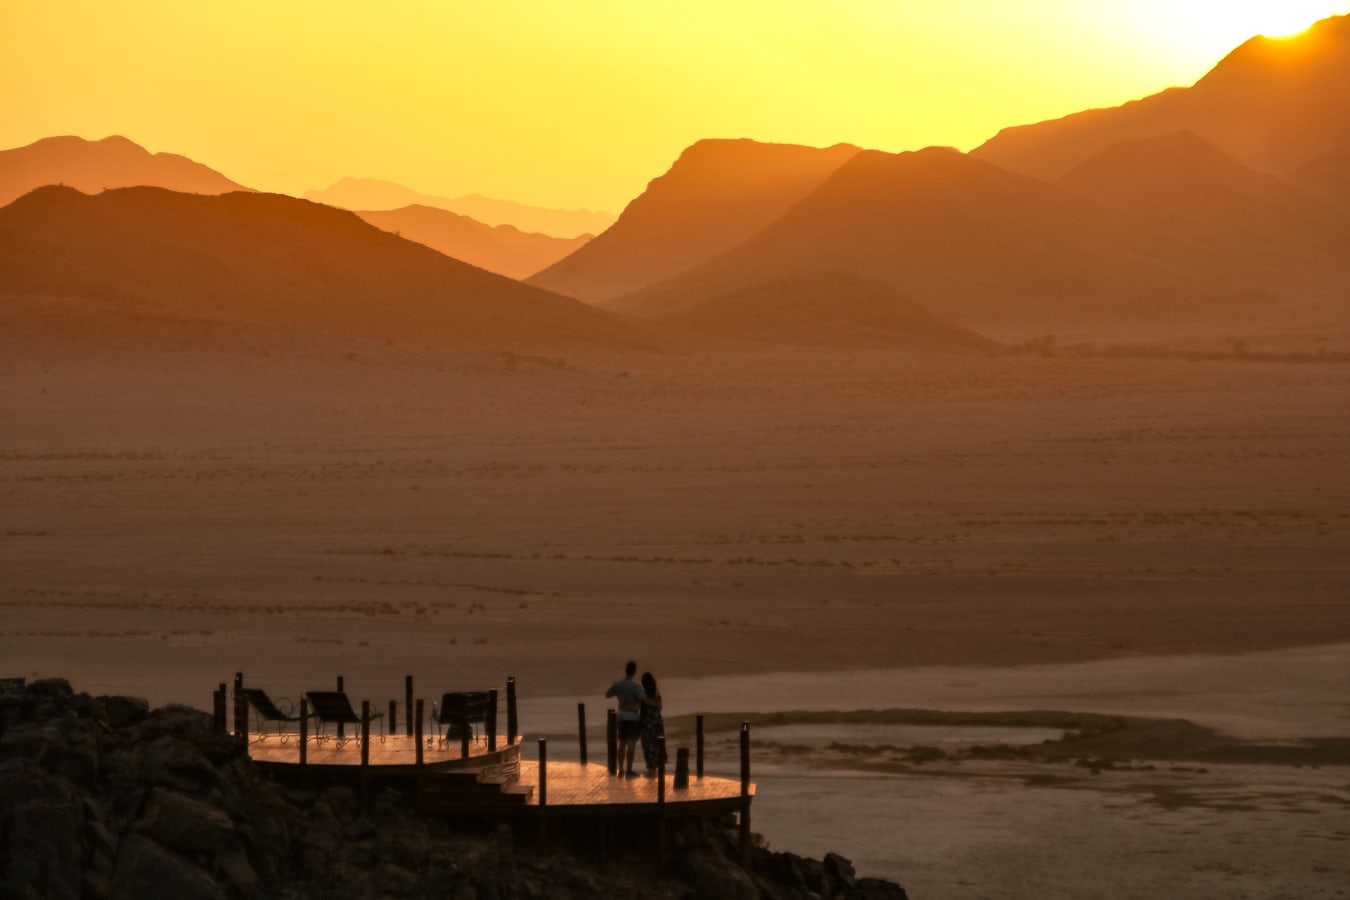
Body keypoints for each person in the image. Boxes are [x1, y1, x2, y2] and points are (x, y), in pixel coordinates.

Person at [605, 660, 645, 777]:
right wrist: (635, 705)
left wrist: (620, 699)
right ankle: (629, 770)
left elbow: (607, 695)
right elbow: (643, 700)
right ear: (634, 672)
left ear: (625, 670)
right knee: (631, 744)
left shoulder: (618, 684)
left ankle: (621, 769)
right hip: (633, 717)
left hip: (621, 715)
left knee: (621, 744)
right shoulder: (636, 686)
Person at [639, 671, 666, 775]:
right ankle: (654, 769)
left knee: (647, 746)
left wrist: (646, 702)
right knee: (655, 745)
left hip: (646, 723)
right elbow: (660, 706)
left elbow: (641, 704)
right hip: (657, 722)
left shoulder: (643, 694)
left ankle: (651, 769)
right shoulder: (656, 692)